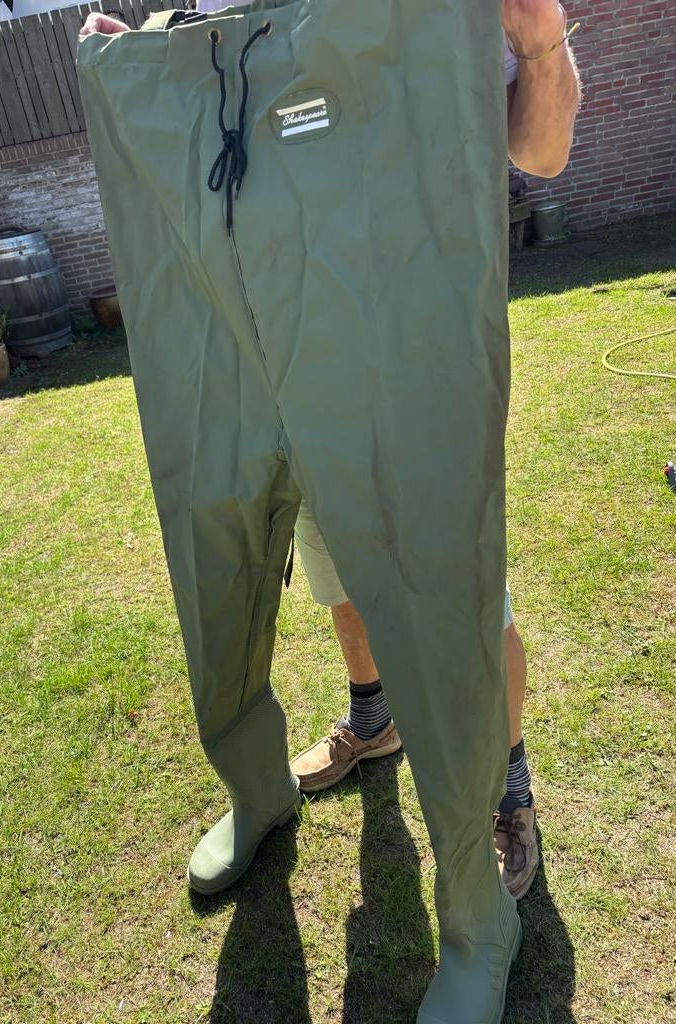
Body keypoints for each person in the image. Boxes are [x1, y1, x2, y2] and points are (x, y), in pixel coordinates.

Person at [78, 4, 579, 1021]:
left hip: (386, 314)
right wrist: (146, 59)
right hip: (233, 314)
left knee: (445, 595)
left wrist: (536, 39)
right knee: (227, 544)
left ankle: (482, 895)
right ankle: (269, 780)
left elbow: (540, 150)